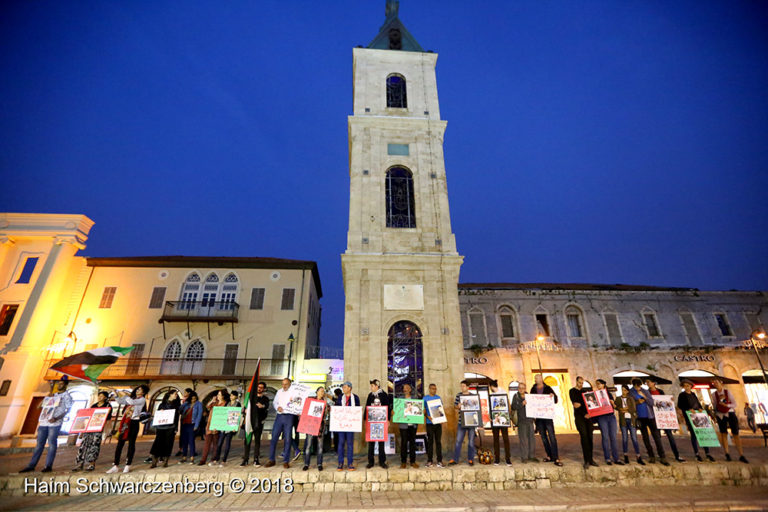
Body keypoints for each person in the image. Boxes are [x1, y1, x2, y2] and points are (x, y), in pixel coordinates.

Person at [20, 378, 73, 473]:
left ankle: (48, 466)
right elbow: (38, 407)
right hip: (44, 423)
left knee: (52, 444)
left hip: (55, 423)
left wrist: (57, 418)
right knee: (39, 445)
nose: (59, 385)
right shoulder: (53, 395)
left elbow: (68, 410)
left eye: (61, 384)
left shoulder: (67, 396)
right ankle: (31, 465)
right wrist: (47, 397)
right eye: (58, 383)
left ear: (65, 385)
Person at [107, 384, 149, 474]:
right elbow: (120, 401)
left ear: (144, 392)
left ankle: (128, 465)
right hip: (125, 422)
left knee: (131, 444)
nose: (137, 390)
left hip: (134, 423)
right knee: (120, 444)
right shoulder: (132, 398)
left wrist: (124, 394)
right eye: (137, 389)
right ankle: (115, 465)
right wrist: (116, 393)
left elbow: (130, 402)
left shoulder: (142, 400)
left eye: (140, 389)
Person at [630, 378, 669, 466]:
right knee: (645, 437)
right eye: (636, 387)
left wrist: (644, 397)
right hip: (640, 417)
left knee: (656, 437)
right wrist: (637, 402)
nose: (638, 388)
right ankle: (651, 456)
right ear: (633, 385)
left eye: (639, 386)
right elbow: (630, 404)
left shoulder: (645, 391)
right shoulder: (631, 392)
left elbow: (652, 402)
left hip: (650, 417)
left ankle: (662, 456)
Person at [645, 378, 684, 462]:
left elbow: (665, 401)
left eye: (649, 382)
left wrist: (670, 400)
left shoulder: (660, 391)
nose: (647, 383)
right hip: (654, 417)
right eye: (647, 382)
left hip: (663, 416)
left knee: (670, 435)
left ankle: (676, 455)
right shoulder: (647, 393)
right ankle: (661, 455)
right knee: (657, 437)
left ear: (653, 383)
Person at [73, 390, 113, 472]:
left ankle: (91, 463)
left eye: (102, 396)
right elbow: (88, 415)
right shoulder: (94, 405)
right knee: (84, 444)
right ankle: (80, 463)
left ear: (105, 397)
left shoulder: (108, 405)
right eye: (99, 396)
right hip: (89, 427)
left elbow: (107, 417)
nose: (100, 398)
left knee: (94, 444)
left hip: (98, 427)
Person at [711, 378, 748, 463]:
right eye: (714, 383)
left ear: (721, 383)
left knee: (735, 434)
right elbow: (715, 405)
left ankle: (741, 454)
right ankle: (727, 453)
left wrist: (727, 405)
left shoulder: (727, 392)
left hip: (730, 413)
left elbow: (735, 404)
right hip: (720, 415)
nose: (716, 384)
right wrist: (716, 413)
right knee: (723, 434)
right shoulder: (714, 395)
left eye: (717, 382)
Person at [677, 379, 715, 462]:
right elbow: (680, 405)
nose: (687, 387)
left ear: (691, 386)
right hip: (690, 416)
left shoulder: (693, 394)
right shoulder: (682, 395)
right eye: (685, 386)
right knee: (694, 435)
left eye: (688, 385)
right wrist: (688, 409)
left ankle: (707, 453)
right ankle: (697, 453)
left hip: (698, 416)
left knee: (703, 434)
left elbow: (697, 403)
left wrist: (700, 409)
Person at [529, 374, 562, 466]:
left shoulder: (548, 388)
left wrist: (553, 396)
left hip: (547, 416)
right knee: (543, 437)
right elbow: (531, 401)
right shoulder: (533, 389)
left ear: (541, 379)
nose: (536, 379)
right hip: (539, 418)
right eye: (535, 378)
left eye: (537, 378)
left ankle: (556, 457)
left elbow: (556, 400)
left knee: (552, 436)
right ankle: (549, 455)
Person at [266, 378, 298, 469]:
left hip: (289, 417)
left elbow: (297, 404)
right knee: (274, 438)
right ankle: (271, 459)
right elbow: (275, 402)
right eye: (283, 384)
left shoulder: (294, 392)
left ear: (290, 384)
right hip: (279, 416)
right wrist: (277, 407)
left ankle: (286, 461)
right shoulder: (279, 391)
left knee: (287, 439)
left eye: (286, 384)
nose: (284, 386)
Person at [569, 376, 598, 469]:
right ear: (576, 382)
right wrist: (584, 405)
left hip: (588, 416)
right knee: (584, 436)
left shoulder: (585, 392)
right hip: (579, 417)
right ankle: (586, 460)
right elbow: (576, 405)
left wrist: (588, 412)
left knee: (590, 436)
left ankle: (591, 459)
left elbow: (591, 404)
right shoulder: (572, 391)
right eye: (579, 382)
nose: (580, 384)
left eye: (582, 383)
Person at [593, 379, 623, 466]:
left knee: (613, 437)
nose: (598, 386)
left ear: (603, 385)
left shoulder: (608, 394)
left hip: (611, 416)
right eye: (597, 384)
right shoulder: (595, 395)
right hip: (602, 417)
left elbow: (614, 406)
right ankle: (607, 458)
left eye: (599, 384)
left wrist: (612, 403)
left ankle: (616, 458)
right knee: (605, 437)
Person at [150, 390, 181, 468]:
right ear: (170, 395)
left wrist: (176, 427)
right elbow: (158, 414)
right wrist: (161, 412)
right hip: (161, 426)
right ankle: (154, 461)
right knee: (158, 442)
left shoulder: (176, 405)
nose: (176, 395)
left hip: (171, 427)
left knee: (168, 443)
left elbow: (177, 417)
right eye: (175, 394)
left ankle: (165, 461)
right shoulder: (162, 404)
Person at [303, 386, 331, 471]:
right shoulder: (311, 400)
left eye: (323, 391)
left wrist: (327, 407)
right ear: (317, 392)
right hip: (310, 426)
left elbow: (327, 414)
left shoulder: (325, 402)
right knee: (308, 445)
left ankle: (319, 463)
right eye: (321, 391)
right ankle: (306, 464)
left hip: (320, 426)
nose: (322, 392)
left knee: (320, 446)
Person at [241, 382, 269, 467]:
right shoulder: (250, 397)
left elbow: (266, 407)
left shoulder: (265, 399)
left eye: (261, 387)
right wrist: (244, 410)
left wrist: (262, 406)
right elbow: (243, 408)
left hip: (258, 423)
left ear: (263, 389)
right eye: (258, 387)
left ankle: (256, 459)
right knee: (247, 441)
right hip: (249, 422)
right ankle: (245, 459)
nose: (259, 388)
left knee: (257, 441)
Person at [614, 386, 644, 465]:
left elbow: (633, 408)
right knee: (625, 439)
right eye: (622, 390)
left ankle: (638, 456)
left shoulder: (631, 398)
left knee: (634, 438)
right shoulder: (618, 398)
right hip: (623, 421)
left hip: (631, 420)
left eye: (625, 390)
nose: (623, 391)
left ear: (627, 391)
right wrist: (620, 409)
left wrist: (626, 409)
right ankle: (625, 455)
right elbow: (616, 407)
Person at [449, 380, 476, 466]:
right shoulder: (458, 395)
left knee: (471, 441)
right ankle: (455, 459)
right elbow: (455, 406)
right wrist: (458, 406)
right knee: (458, 441)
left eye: (463, 386)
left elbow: (476, 408)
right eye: (461, 386)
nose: (462, 387)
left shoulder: (473, 396)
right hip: (462, 421)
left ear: (468, 387)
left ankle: (471, 459)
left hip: (471, 421)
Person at [200, 389, 229, 466]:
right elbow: (208, 407)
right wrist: (212, 401)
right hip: (210, 424)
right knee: (207, 443)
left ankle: (214, 458)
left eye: (219, 395)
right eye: (217, 395)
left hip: (218, 425)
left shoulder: (225, 404)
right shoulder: (215, 403)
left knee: (216, 443)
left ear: (223, 396)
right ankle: (203, 459)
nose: (217, 396)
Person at [335, 381, 360, 471]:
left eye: (345, 387)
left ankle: (350, 462)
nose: (343, 389)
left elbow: (357, 410)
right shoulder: (340, 397)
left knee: (350, 443)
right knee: (341, 442)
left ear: (350, 388)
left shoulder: (355, 398)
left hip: (351, 424)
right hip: (341, 424)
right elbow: (337, 408)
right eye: (343, 387)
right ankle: (340, 462)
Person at [366, 379, 390, 469]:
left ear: (377, 386)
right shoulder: (370, 395)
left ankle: (382, 461)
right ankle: (370, 461)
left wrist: (388, 419)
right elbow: (367, 407)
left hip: (381, 422)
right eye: (371, 386)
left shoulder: (383, 395)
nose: (371, 387)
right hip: (371, 422)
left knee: (381, 442)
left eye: (372, 386)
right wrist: (366, 419)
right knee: (371, 442)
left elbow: (388, 407)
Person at [511, 381, 537, 463]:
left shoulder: (529, 396)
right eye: (519, 388)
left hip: (530, 420)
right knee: (523, 440)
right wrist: (521, 404)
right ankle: (524, 457)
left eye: (522, 388)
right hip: (521, 421)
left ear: (525, 388)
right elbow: (513, 407)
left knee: (531, 439)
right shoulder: (516, 396)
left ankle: (531, 456)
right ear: (518, 389)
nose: (521, 389)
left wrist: (534, 420)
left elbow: (534, 407)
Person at [213, 390, 241, 466]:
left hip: (231, 426)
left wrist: (236, 427)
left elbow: (237, 416)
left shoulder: (238, 404)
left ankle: (224, 460)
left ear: (236, 396)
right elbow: (223, 413)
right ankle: (216, 458)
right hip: (224, 426)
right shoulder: (227, 403)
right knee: (219, 443)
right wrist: (217, 425)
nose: (231, 396)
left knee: (227, 444)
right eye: (230, 395)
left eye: (233, 395)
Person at [489, 380, 512, 466]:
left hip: (503, 418)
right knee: (496, 439)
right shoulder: (492, 395)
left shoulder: (503, 392)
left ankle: (507, 458)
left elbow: (507, 404)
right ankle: (497, 458)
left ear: (491, 386)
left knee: (505, 438)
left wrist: (508, 416)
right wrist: (491, 416)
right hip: (495, 419)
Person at [398, 383, 419, 468]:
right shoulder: (400, 400)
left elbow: (418, 410)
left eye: (407, 387)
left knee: (412, 443)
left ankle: (412, 461)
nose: (405, 389)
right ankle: (403, 462)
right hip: (403, 425)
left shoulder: (415, 399)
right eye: (404, 387)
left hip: (413, 425)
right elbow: (395, 411)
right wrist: (394, 412)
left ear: (410, 389)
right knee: (403, 443)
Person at [424, 383, 444, 467]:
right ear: (429, 389)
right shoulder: (425, 398)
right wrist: (428, 416)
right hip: (429, 423)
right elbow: (423, 410)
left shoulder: (438, 398)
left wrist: (442, 418)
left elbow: (440, 409)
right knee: (430, 442)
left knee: (438, 442)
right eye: (432, 388)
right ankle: (430, 461)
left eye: (435, 389)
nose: (434, 390)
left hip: (438, 423)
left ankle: (439, 460)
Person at [178, 391, 202, 464]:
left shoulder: (199, 404)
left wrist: (196, 425)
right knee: (184, 441)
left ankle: (192, 457)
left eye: (194, 398)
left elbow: (199, 415)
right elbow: (180, 410)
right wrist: (185, 403)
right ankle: (184, 457)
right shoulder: (186, 404)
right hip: (185, 424)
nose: (193, 400)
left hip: (192, 424)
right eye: (192, 399)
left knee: (191, 441)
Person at [174, 388, 193, 456]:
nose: (184, 393)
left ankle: (189, 450)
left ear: (189, 393)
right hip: (183, 418)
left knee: (188, 436)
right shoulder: (183, 400)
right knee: (182, 435)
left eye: (185, 392)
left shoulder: (190, 401)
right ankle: (181, 449)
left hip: (188, 419)